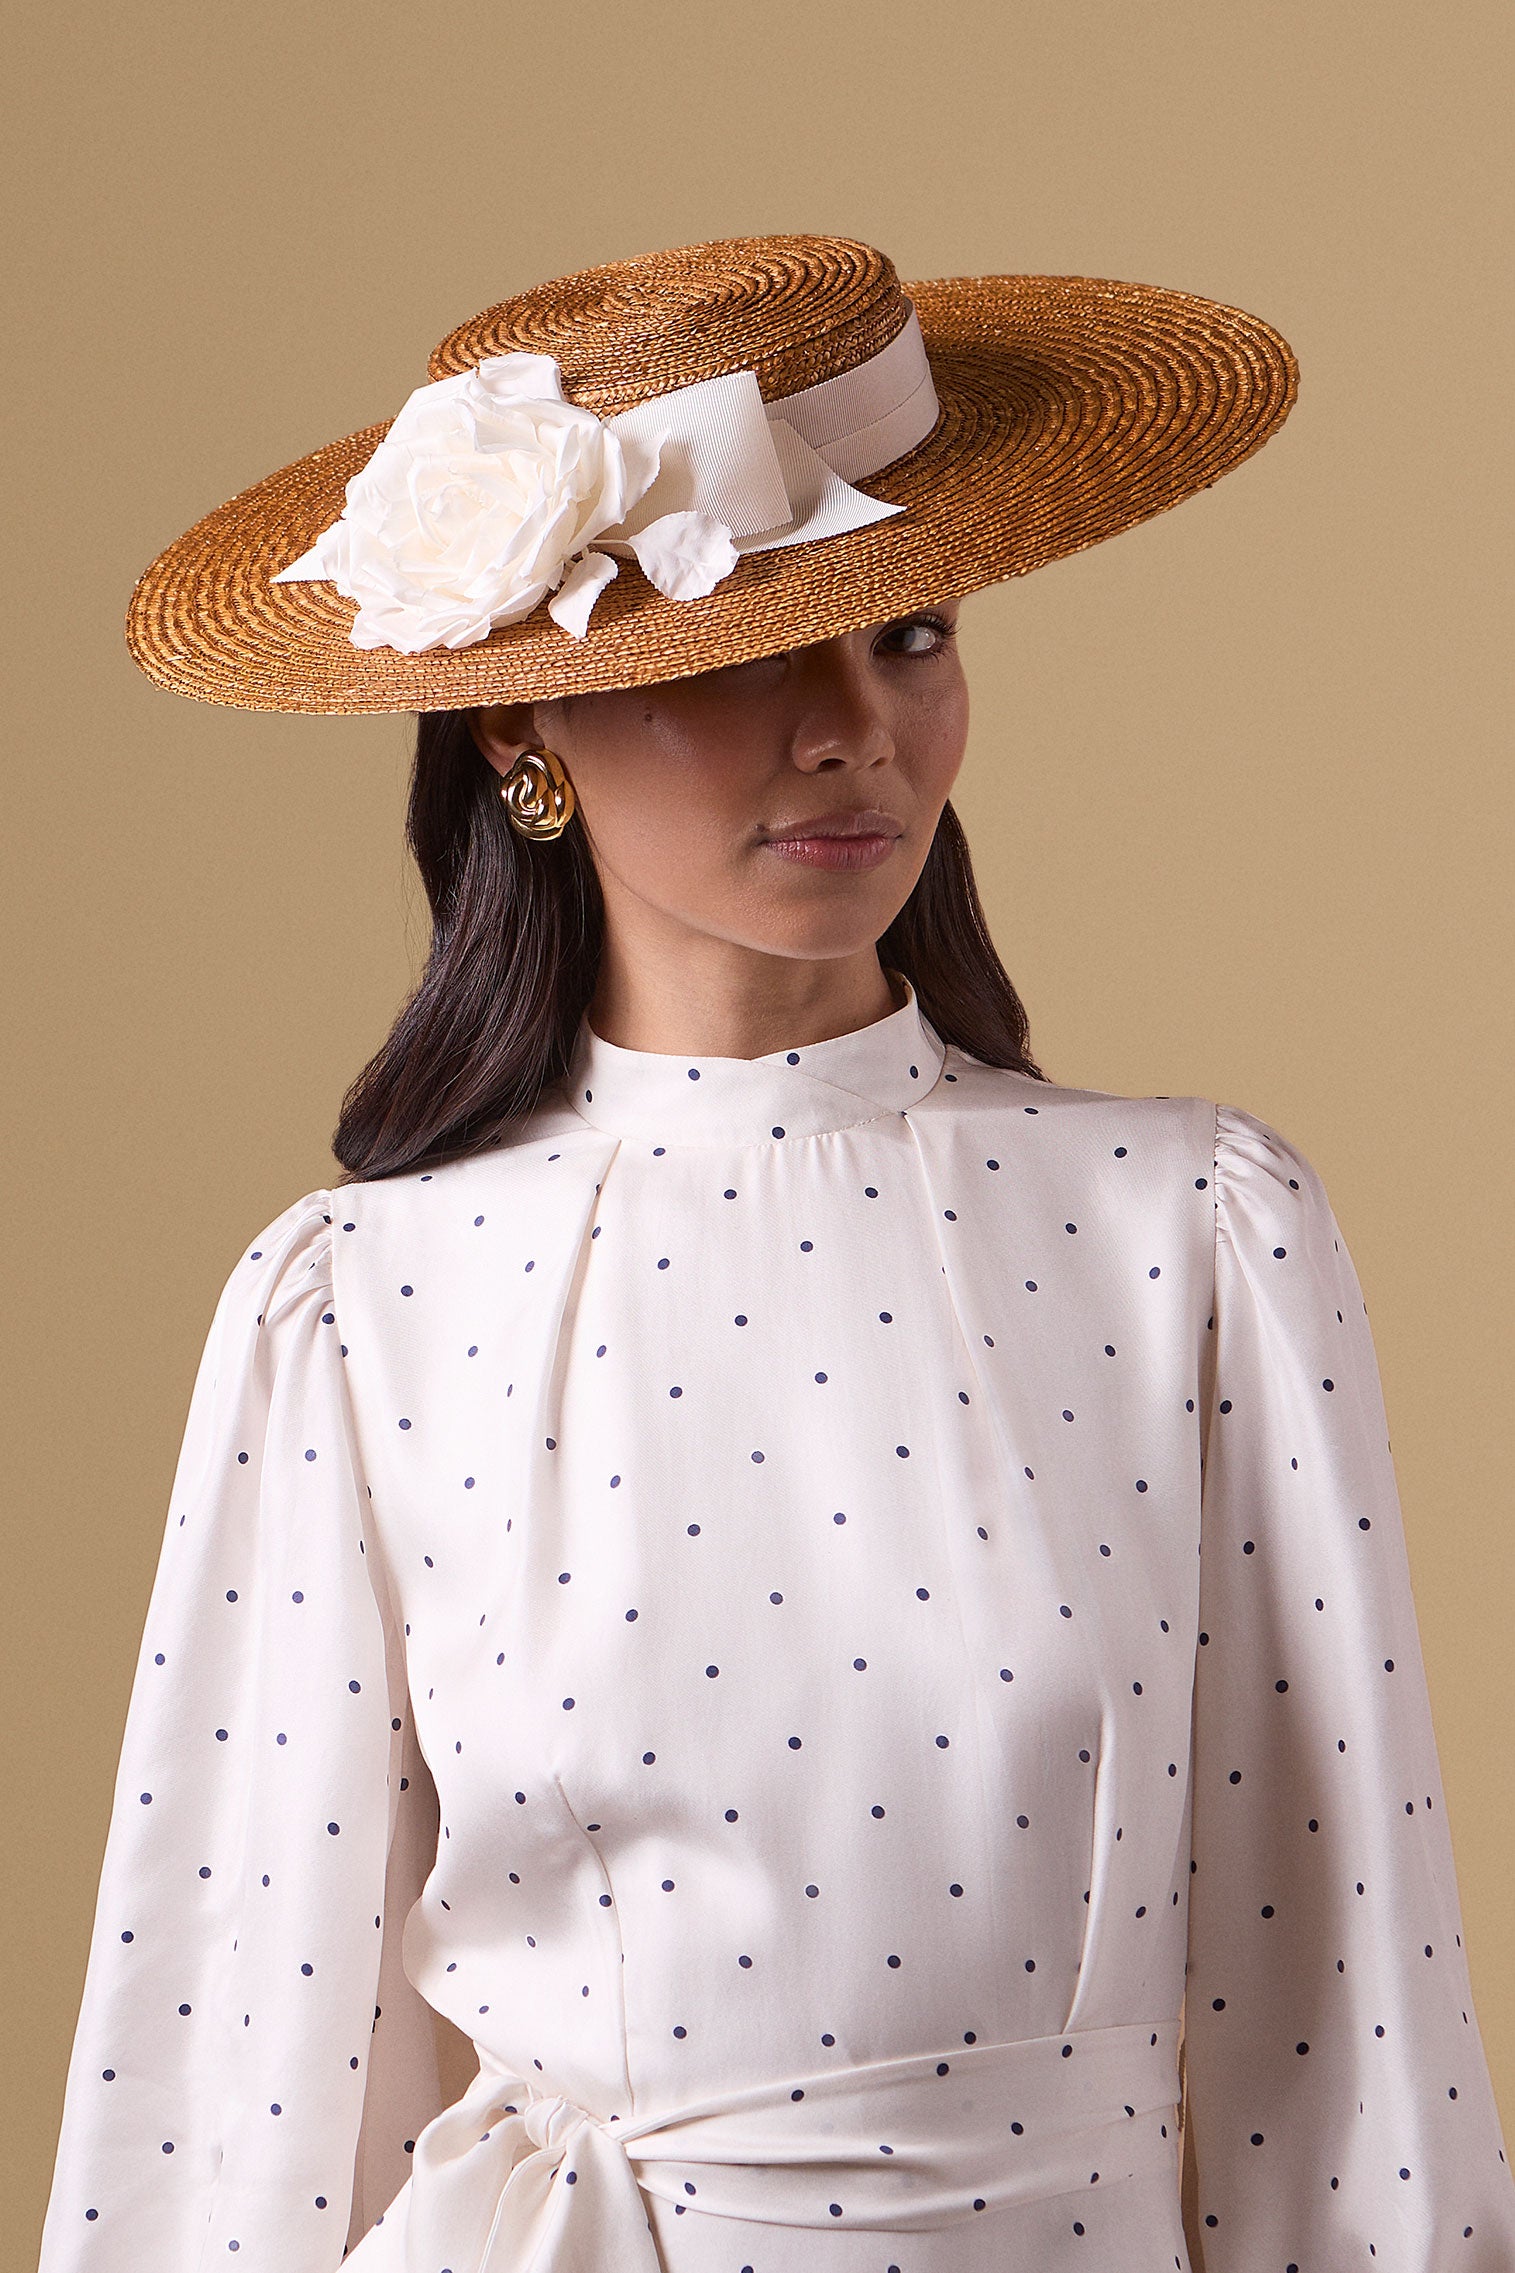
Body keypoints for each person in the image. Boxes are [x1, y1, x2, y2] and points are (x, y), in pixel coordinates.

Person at [36, 234, 1515, 2272]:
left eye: (907, 634)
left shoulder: (1187, 1233)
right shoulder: (359, 1306)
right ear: (514, 728)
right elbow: (241, 2073)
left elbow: (1336, 2006)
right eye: (735, 652)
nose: (850, 731)